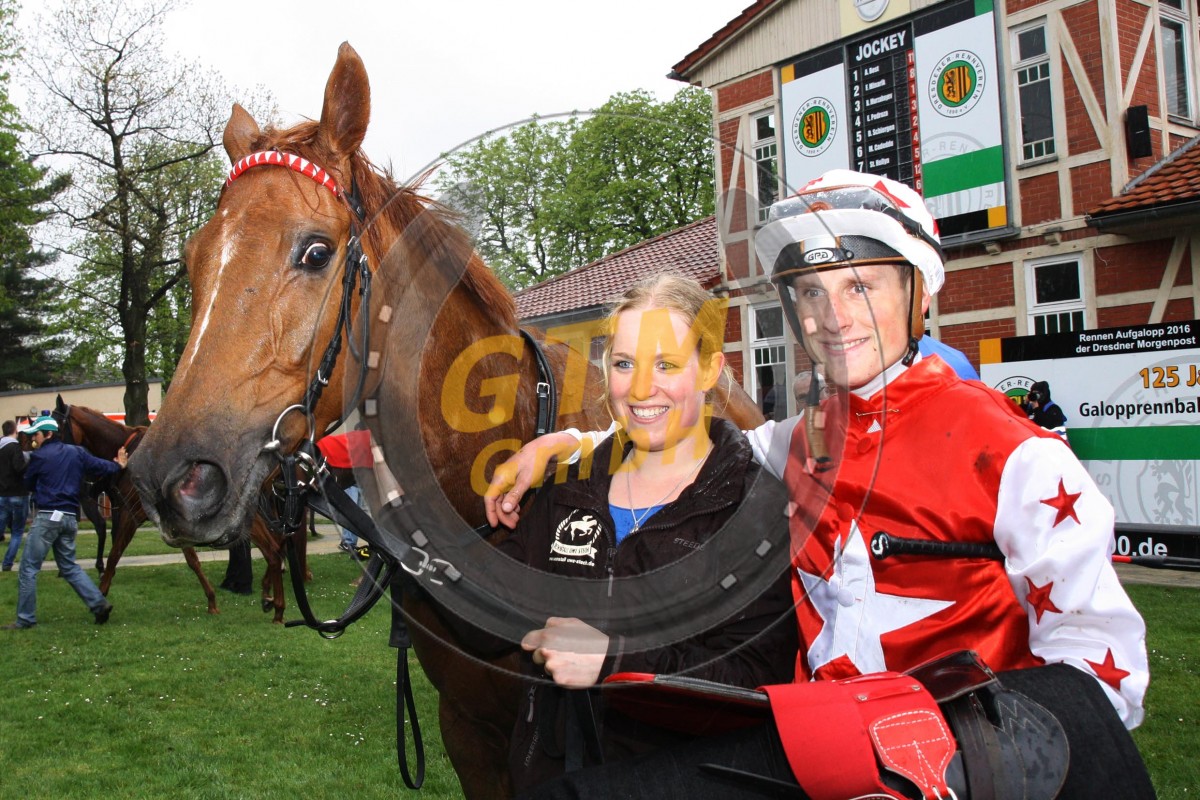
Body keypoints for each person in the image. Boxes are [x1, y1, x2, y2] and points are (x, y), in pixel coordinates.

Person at [487, 170, 1151, 799]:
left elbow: (1102, 681)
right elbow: (684, 438)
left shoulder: (1019, 457)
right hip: (813, 753)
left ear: (919, 294)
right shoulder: (797, 440)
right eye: (810, 291)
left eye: (860, 286)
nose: (832, 316)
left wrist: (948, 766)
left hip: (962, 768)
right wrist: (567, 445)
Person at [477, 273, 796, 793]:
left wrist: (614, 661)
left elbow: (755, 683)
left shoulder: (754, 509)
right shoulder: (569, 487)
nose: (641, 388)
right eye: (624, 364)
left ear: (710, 368)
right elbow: (482, 618)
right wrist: (406, 526)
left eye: (666, 364)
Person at [2, 416, 127, 630]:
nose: (34, 439)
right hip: (69, 518)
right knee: (69, 566)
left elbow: (28, 483)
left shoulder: (39, 457)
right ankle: (99, 604)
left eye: (36, 435)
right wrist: (119, 465)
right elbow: (100, 467)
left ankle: (25, 619)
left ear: (49, 434)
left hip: (48, 517)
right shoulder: (77, 452)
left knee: (28, 568)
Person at [316, 429, 373, 555]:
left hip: (353, 471)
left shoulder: (363, 440)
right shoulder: (367, 441)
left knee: (357, 509)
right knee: (352, 508)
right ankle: (348, 542)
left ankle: (352, 542)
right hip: (344, 469)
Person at [0, 420, 30, 571]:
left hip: (2, 493)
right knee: (17, 532)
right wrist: (30, 462)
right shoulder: (15, 447)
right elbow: (19, 468)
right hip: (18, 493)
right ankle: (7, 563)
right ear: (15, 431)